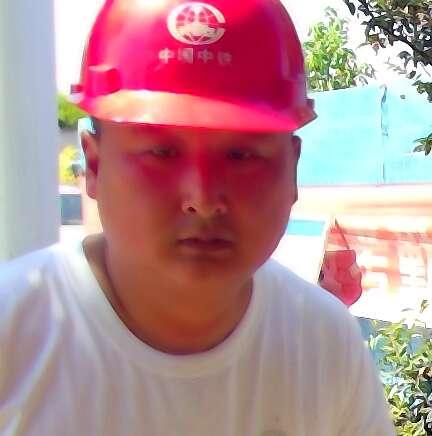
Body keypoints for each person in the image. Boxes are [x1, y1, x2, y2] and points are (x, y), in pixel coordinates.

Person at [0, 0, 395, 435]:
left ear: (292, 170)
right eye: (161, 152)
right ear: (94, 166)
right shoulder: (13, 334)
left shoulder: (324, 347)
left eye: (241, 155)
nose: (203, 199)